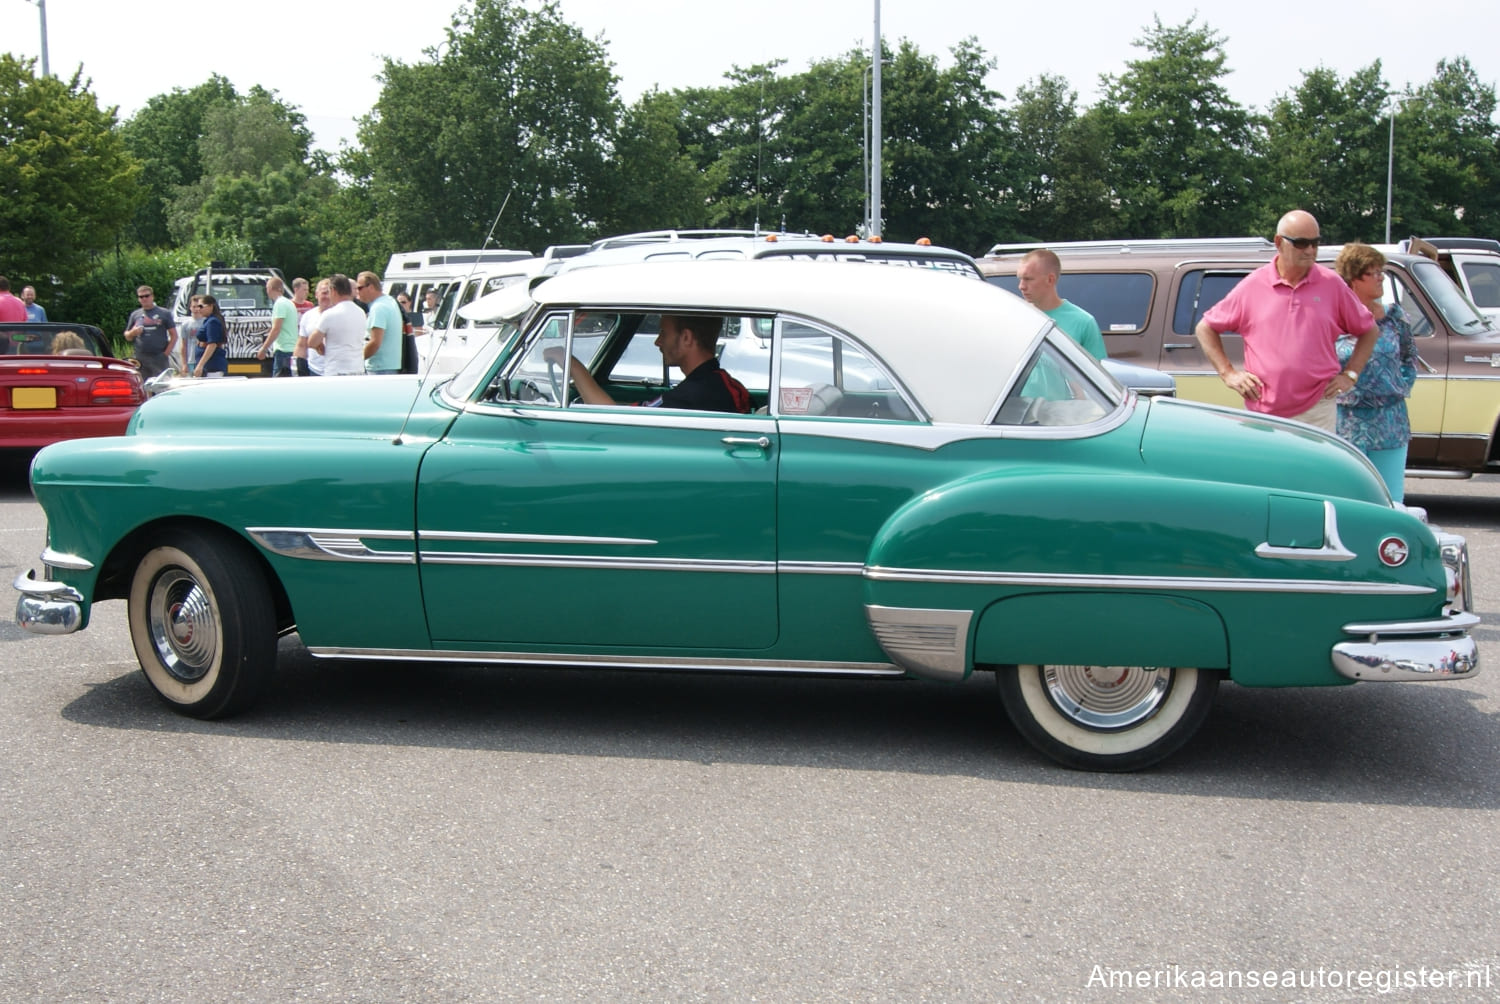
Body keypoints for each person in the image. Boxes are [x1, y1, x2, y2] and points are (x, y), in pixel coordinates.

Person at [1194, 210, 1379, 432]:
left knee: (1314, 468)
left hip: (1317, 409)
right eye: (1301, 243)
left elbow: (1369, 330)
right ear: (1279, 242)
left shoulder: (1332, 284)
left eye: (1315, 243)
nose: (1310, 250)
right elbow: (1205, 328)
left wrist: (1350, 374)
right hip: (1262, 411)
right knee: (1265, 468)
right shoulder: (1253, 285)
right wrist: (1229, 374)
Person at [1332, 244, 1417, 499]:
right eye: (1374, 272)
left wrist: (1398, 387)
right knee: (1349, 497)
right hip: (1347, 420)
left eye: (1382, 271)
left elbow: (1409, 357)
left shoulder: (1395, 317)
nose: (1381, 277)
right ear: (1354, 278)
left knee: (1390, 498)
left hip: (1390, 419)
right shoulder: (1334, 318)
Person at [547, 314, 750, 413]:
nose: (657, 341)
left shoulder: (695, 395)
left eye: (664, 333)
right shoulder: (722, 384)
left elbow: (613, 416)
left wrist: (569, 363)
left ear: (687, 338)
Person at [1015, 249, 1107, 360]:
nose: (1021, 286)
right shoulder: (1015, 318)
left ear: (1050, 279)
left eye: (1028, 279)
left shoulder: (1083, 322)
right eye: (1020, 279)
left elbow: (1095, 373)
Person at [307, 274, 368, 376]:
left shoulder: (330, 314)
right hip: (358, 369)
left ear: (334, 291)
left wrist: (320, 346)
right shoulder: (361, 312)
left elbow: (312, 342)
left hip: (336, 370)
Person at [123, 284, 179, 380]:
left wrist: (165, 354)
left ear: (152, 296)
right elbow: (127, 336)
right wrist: (133, 332)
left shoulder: (164, 313)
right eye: (141, 297)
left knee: (161, 385)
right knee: (143, 385)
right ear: (138, 299)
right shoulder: (135, 314)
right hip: (141, 357)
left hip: (159, 356)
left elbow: (174, 335)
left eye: (147, 296)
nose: (144, 299)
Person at [354, 271, 404, 374]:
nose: (357, 292)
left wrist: (356, 359)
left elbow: (375, 342)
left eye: (359, 288)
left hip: (380, 367)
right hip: (389, 365)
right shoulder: (389, 301)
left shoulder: (378, 308)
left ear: (371, 287)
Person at [256, 277, 300, 377]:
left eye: (267, 288)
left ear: (270, 288)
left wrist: (264, 348)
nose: (266, 291)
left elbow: (276, 329)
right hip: (292, 348)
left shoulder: (279, 304)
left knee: (278, 384)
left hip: (283, 350)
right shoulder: (289, 303)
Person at [294, 279, 330, 377]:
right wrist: (298, 368)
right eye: (324, 293)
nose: (327, 296)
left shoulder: (340, 315)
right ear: (316, 294)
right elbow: (301, 345)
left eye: (330, 293)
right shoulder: (308, 316)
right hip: (314, 370)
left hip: (337, 370)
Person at [192, 295, 228, 378]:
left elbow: (212, 344)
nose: (198, 309)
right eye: (197, 307)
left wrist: (200, 365)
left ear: (211, 306)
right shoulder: (208, 320)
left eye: (201, 306)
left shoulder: (213, 322)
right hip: (208, 366)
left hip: (212, 365)